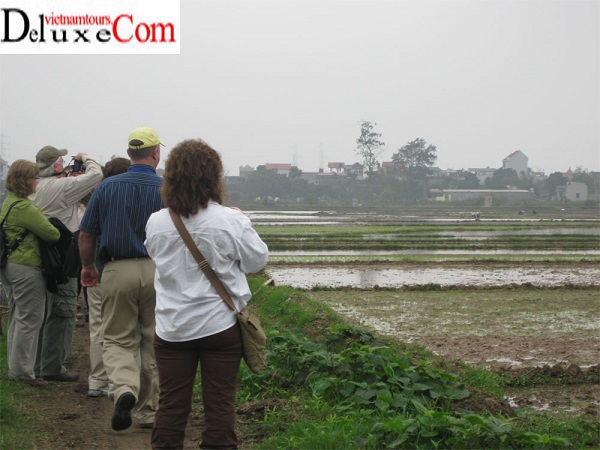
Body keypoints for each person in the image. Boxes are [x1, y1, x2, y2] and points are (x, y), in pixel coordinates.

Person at [144, 139, 268, 450]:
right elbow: (257, 261)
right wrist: (241, 221)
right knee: (220, 405)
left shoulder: (157, 222)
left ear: (170, 177)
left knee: (171, 406)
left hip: (172, 328)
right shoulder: (229, 219)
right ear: (214, 177)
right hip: (220, 326)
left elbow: (158, 258)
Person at [79, 128, 164, 431]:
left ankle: (124, 388)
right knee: (151, 337)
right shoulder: (166, 188)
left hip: (117, 268)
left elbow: (87, 233)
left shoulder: (106, 187)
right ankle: (149, 410)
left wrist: (88, 266)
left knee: (116, 336)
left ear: (130, 153)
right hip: (157, 270)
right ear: (156, 153)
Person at [29, 145, 103, 382]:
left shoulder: (33, 188)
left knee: (42, 313)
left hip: (39, 256)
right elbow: (96, 175)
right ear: (57, 166)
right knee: (63, 311)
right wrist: (85, 157)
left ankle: (37, 363)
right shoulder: (61, 188)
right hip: (63, 256)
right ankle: (52, 367)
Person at [0, 160, 61, 387]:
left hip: (9, 266)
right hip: (26, 267)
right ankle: (24, 373)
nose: (37, 181)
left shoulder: (9, 202)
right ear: (26, 181)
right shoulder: (25, 208)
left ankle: (16, 369)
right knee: (30, 319)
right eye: (35, 178)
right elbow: (52, 234)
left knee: (17, 317)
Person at [84, 157, 131, 398]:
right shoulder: (129, 199)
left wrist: (87, 266)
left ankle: (97, 380)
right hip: (120, 270)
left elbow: (86, 234)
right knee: (123, 329)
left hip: (97, 269)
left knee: (97, 326)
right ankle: (120, 381)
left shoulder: (98, 196)